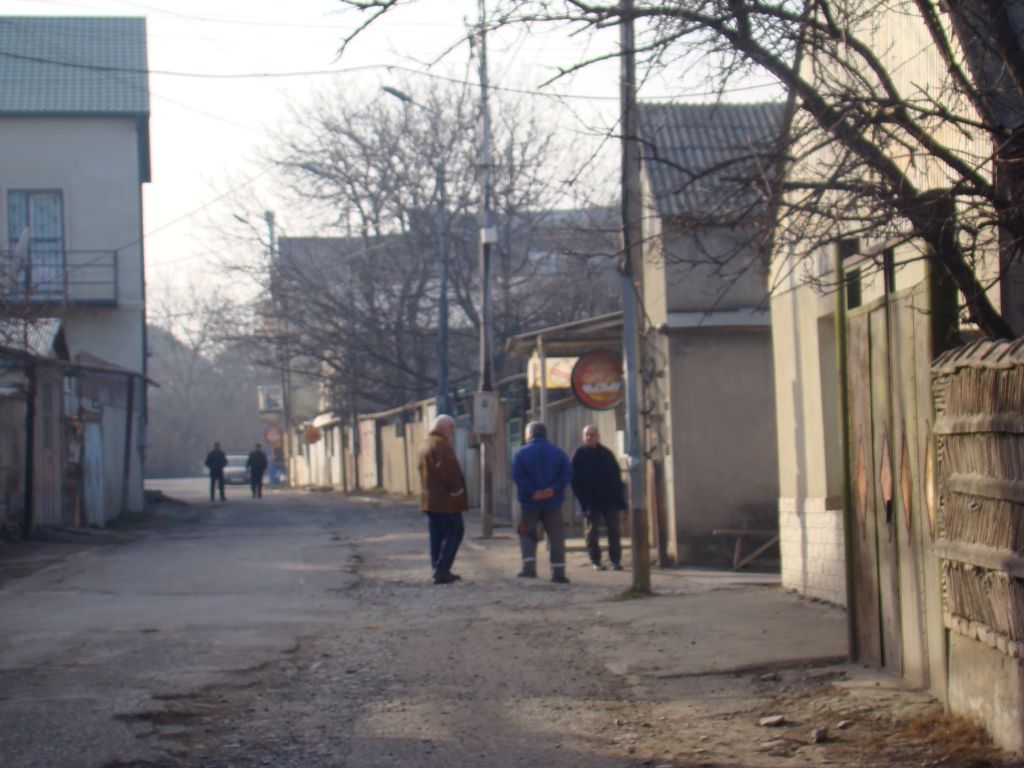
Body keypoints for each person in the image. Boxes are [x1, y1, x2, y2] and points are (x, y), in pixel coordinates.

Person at [511, 421, 573, 583]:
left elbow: (518, 476)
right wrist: (553, 489)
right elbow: (566, 473)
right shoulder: (559, 453)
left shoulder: (520, 454)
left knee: (526, 532)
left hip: (529, 504)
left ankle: (529, 568)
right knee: (556, 536)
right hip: (553, 502)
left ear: (529, 434)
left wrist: (533, 492)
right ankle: (558, 572)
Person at [417, 414, 468, 585]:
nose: (453, 431)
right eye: (451, 427)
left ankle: (438, 568)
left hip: (430, 500)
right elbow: (447, 469)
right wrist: (457, 489)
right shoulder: (442, 445)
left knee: (437, 536)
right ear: (445, 427)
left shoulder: (425, 443)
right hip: (446, 501)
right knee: (454, 532)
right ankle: (442, 569)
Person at [571, 424, 627, 571]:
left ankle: (615, 560)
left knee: (614, 530)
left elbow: (615, 475)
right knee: (592, 531)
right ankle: (595, 560)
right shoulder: (579, 454)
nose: (590, 437)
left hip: (609, 499)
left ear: (598, 436)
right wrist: (581, 498)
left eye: (593, 434)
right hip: (590, 500)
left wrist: (619, 495)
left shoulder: (606, 454)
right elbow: (573, 478)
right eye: (587, 434)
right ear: (583, 437)